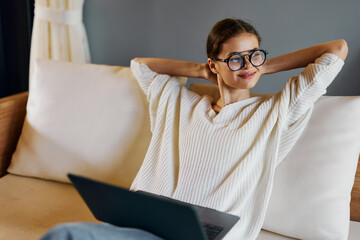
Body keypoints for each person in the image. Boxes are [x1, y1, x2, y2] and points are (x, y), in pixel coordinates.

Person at [41, 18, 348, 240]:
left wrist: (261, 66)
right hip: (143, 226)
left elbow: (337, 49)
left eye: (254, 54)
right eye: (235, 58)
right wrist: (201, 70)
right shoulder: (177, 102)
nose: (247, 65)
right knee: (65, 234)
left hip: (208, 236)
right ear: (214, 64)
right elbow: (140, 65)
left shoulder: (276, 111)